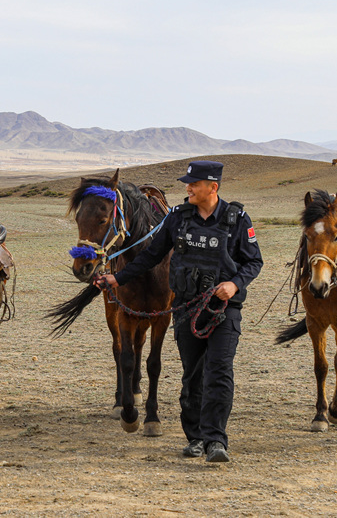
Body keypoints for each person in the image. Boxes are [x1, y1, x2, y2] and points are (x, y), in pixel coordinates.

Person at [98, 160, 263, 463]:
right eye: (187, 183)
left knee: (219, 372)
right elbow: (151, 255)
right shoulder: (177, 217)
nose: (187, 188)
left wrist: (235, 284)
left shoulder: (237, 218)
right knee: (193, 375)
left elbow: (254, 261)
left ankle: (216, 440)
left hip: (223, 309)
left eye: (194, 183)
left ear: (212, 187)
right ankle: (195, 438)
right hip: (186, 308)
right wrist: (116, 277)